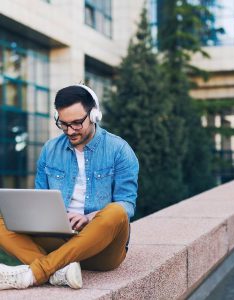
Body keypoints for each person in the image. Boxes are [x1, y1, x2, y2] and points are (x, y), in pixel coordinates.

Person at [0, 84, 139, 290]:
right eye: (63, 124)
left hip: (101, 247)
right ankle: (59, 272)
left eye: (76, 123)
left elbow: (127, 204)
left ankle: (35, 273)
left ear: (93, 116)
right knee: (3, 221)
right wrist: (49, 216)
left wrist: (90, 217)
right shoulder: (50, 149)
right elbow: (39, 200)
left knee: (117, 212)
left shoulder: (119, 150)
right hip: (59, 238)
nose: (70, 131)